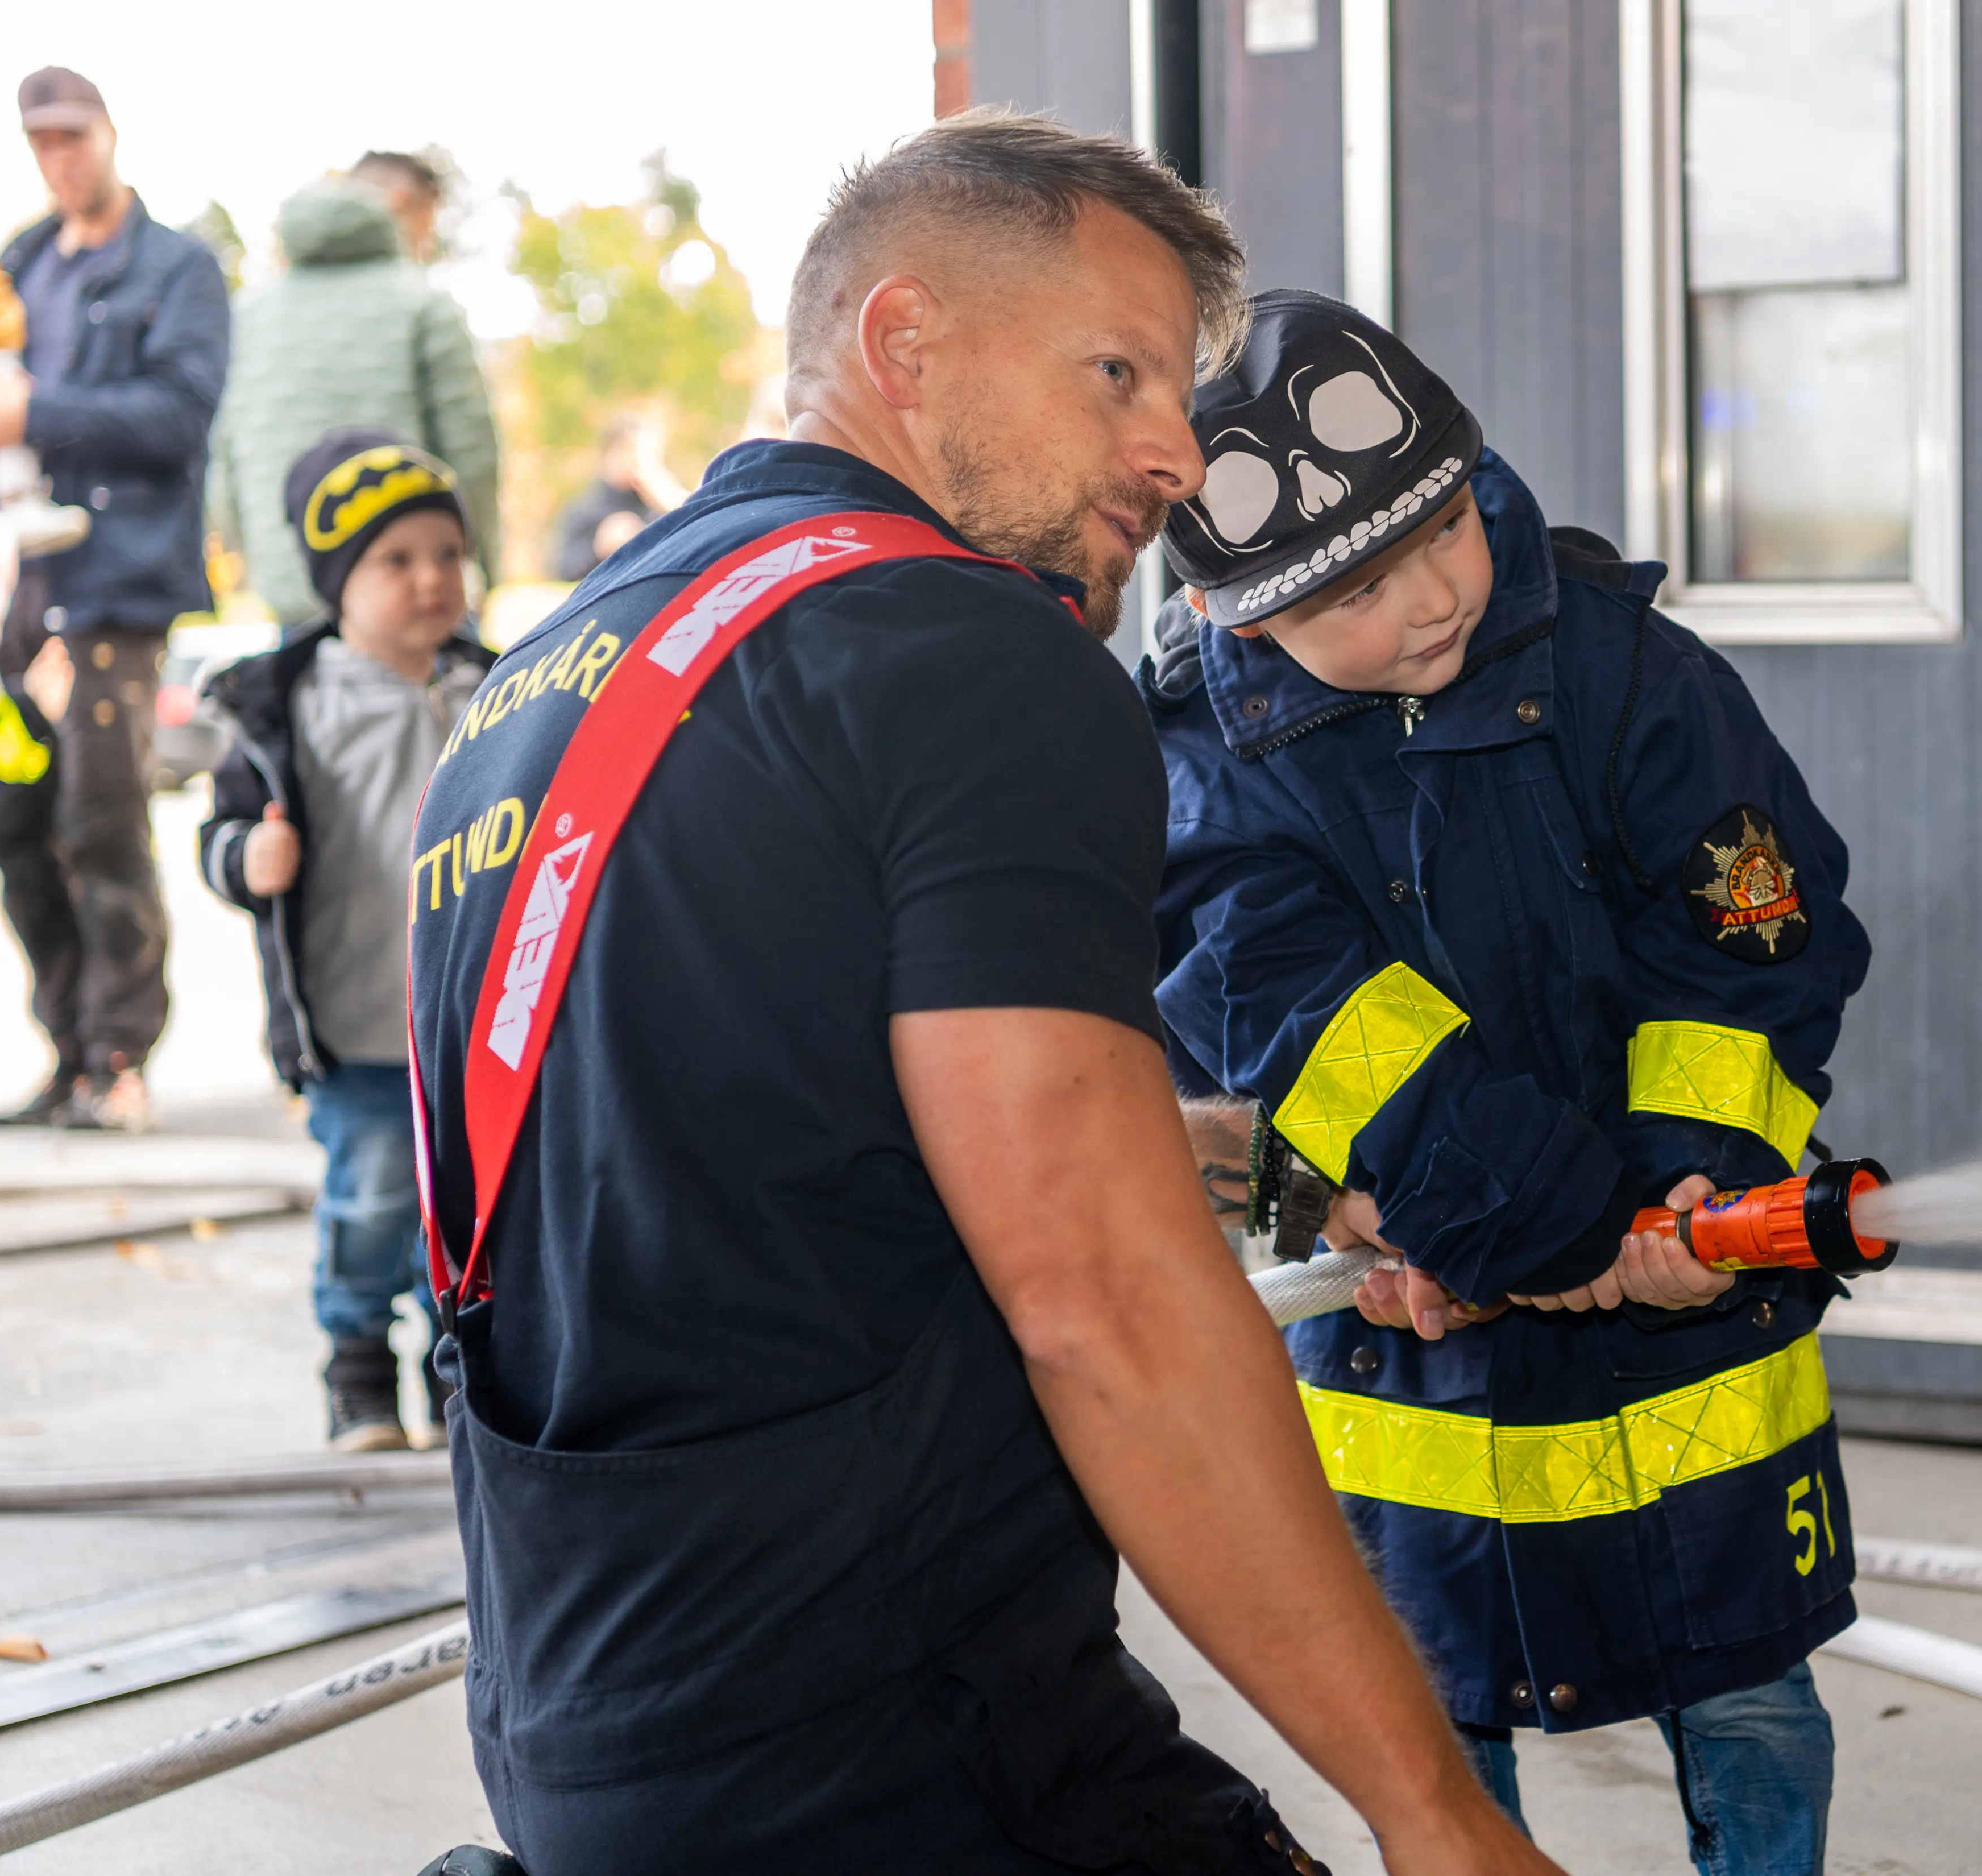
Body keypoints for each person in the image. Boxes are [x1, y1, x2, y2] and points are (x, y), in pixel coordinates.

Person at [405, 110, 1558, 1875]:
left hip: (589, 1735)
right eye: (1118, 374)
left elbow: (690, 1138)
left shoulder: (563, 670)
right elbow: (1107, 1306)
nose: (1176, 455)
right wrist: (1438, 1816)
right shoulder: (963, 648)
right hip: (893, 1737)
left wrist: (1157, 1142)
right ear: (903, 341)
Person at [1143, 292, 1874, 1874]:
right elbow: (1289, 1032)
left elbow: (1754, 947)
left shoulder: (1630, 676)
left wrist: (1692, 1181)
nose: (1426, 600)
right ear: (1242, 615)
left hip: (1695, 1335)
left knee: (1750, 1701)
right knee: (1435, 1716)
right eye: (1353, 588)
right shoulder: (1208, 779)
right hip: (1419, 1352)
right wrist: (1508, 1218)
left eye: (1444, 531)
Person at [197, 430, 488, 1451]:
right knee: (370, 1201)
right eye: (395, 560)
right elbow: (220, 834)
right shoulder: (294, 704)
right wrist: (247, 857)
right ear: (337, 584)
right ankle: (358, 1369)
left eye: (447, 554)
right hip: (358, 1021)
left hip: (470, 1025)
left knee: (465, 1215)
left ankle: (454, 1375)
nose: (430, 580)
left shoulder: (493, 687)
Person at [0, 67, 229, 1131]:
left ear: (109, 135)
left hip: (115, 587)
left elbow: (179, 414)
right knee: (13, 821)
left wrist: (38, 407)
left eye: (73, 135)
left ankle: (120, 1056)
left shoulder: (175, 269)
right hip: (15, 591)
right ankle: (67, 1051)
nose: (59, 157)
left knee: (102, 819)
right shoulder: (17, 266)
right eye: (40, 140)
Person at [206, 162, 499, 625]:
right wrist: (480, 566)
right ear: (401, 205)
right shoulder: (423, 304)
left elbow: (223, 461)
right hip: (420, 592)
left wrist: (257, 561)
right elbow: (472, 457)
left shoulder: (247, 315)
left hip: (293, 588)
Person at [545, 411, 685, 581]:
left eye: (647, 455)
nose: (636, 463)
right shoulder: (583, 508)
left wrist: (669, 502)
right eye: (627, 452)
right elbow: (560, 571)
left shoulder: (662, 506)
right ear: (607, 455)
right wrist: (597, 548)